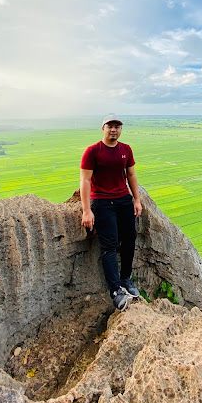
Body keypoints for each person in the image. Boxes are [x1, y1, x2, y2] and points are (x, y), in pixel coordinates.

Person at [80, 115, 142, 310]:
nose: (114, 130)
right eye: (110, 126)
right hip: (102, 202)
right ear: (103, 128)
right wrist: (86, 210)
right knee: (109, 245)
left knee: (130, 238)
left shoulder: (126, 149)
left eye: (117, 126)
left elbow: (130, 174)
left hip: (123, 200)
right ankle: (116, 292)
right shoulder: (93, 151)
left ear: (120, 130)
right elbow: (85, 180)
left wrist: (137, 199)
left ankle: (126, 279)